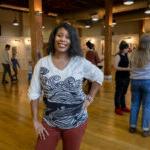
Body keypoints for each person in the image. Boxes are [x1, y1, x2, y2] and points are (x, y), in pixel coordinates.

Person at [28, 23, 104, 150]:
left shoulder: (79, 61)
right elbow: (34, 93)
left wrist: (90, 97)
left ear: (72, 41)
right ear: (54, 38)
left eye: (67, 37)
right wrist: (35, 120)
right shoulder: (42, 64)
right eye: (59, 35)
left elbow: (98, 76)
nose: (63, 39)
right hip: (50, 121)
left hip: (77, 121)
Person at [129, 35, 150, 137]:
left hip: (134, 81)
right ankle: (145, 129)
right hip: (147, 81)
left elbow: (130, 67)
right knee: (147, 106)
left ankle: (132, 126)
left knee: (134, 104)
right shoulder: (149, 54)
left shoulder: (133, 53)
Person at [114, 40, 130, 115]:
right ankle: (117, 107)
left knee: (124, 92)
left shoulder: (127, 55)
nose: (128, 49)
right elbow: (116, 67)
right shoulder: (118, 56)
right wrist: (127, 69)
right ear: (123, 48)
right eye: (127, 48)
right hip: (120, 77)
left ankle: (123, 106)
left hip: (127, 76)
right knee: (118, 92)